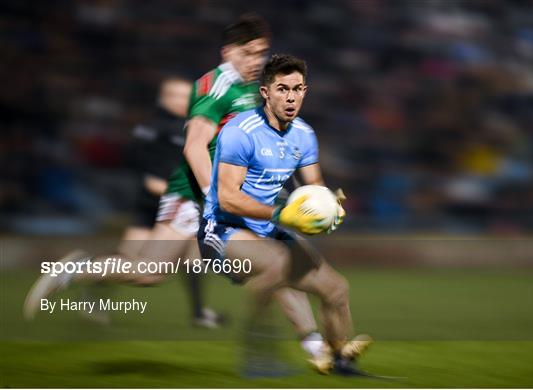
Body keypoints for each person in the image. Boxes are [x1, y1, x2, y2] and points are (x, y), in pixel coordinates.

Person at [24, 14, 330, 364]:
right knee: (149, 273)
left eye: (261, 52)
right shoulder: (215, 87)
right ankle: (78, 268)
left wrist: (291, 189)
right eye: (247, 52)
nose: (256, 60)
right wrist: (214, 198)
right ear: (227, 52)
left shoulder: (256, 86)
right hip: (191, 196)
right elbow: (194, 147)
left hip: (231, 201)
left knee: (273, 261)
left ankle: (315, 346)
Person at [198, 53, 372, 375]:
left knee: (336, 289)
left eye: (297, 89)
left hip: (268, 228)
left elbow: (315, 186)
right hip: (221, 229)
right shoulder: (241, 131)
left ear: (305, 91)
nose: (290, 97)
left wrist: (330, 207)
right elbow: (227, 198)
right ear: (265, 92)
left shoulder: (303, 135)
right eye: (281, 89)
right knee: (278, 263)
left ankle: (339, 362)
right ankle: (256, 349)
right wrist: (282, 213)